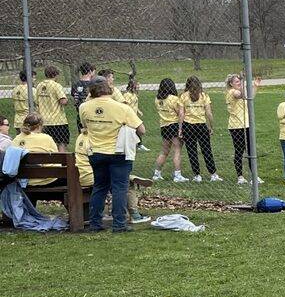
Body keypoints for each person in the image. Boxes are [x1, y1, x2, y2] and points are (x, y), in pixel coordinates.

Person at [79, 78, 146, 232]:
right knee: (119, 188)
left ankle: (95, 223)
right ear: (109, 89)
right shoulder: (122, 108)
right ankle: (119, 224)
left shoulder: (84, 107)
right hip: (118, 153)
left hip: (96, 152)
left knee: (99, 187)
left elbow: (84, 125)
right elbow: (141, 130)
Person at [180, 75, 220, 181]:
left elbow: (181, 114)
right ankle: (213, 174)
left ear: (187, 85)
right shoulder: (204, 96)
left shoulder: (183, 96)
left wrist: (180, 128)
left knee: (191, 151)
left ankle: (197, 175)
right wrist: (211, 126)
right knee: (206, 150)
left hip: (188, 126)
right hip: (201, 125)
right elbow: (209, 113)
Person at [224, 73, 261, 184]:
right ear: (231, 84)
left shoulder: (241, 91)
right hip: (236, 126)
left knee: (251, 150)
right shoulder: (232, 92)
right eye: (237, 81)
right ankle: (240, 177)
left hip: (247, 125)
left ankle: (254, 176)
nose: (239, 83)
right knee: (239, 150)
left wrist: (255, 86)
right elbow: (241, 95)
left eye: (239, 81)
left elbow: (250, 97)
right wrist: (244, 83)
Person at [153, 77, 187, 181]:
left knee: (164, 151)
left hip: (164, 126)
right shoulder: (174, 99)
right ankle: (177, 175)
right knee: (177, 150)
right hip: (174, 125)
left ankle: (157, 174)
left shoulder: (157, 99)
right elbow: (179, 113)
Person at [14, 114, 59, 186]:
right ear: (39, 126)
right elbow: (56, 157)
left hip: (24, 182)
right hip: (47, 180)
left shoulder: (16, 139)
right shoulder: (47, 138)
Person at [36, 65, 70, 151]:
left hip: (43, 120)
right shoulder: (56, 85)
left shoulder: (39, 85)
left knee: (46, 144)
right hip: (57, 120)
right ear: (56, 75)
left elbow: (37, 102)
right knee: (61, 142)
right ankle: (61, 158)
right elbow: (63, 101)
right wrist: (67, 100)